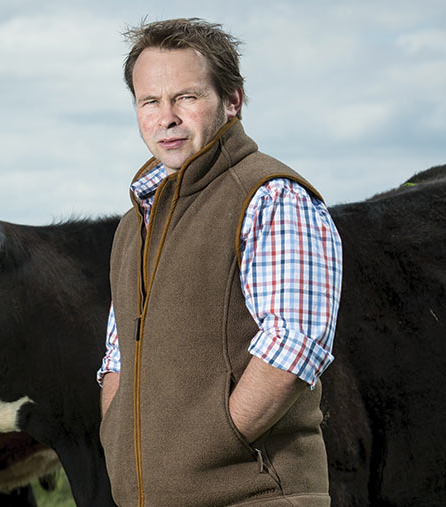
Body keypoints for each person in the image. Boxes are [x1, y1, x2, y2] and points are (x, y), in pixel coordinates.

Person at [97, 18, 342, 507]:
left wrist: (214, 443)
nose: (166, 117)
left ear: (232, 100)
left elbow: (293, 347)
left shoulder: (272, 197)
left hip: (253, 497)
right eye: (149, 101)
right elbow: (118, 354)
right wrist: (116, 435)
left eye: (186, 97)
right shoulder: (134, 225)